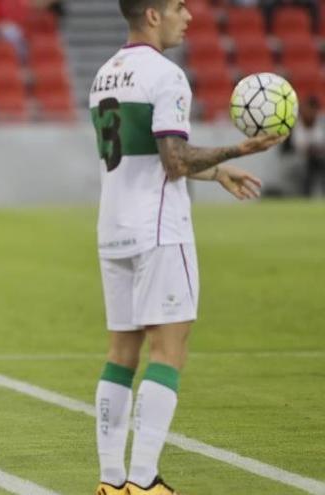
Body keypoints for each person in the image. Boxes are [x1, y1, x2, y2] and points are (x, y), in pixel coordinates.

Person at [88, 1, 284, 493]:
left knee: (120, 353)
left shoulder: (106, 73)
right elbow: (173, 160)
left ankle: (112, 482)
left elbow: (142, 152)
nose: (188, 15)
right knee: (168, 351)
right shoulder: (167, 75)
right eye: (178, 6)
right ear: (152, 14)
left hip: (114, 227)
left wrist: (217, 172)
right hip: (159, 229)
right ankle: (144, 481)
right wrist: (239, 148)